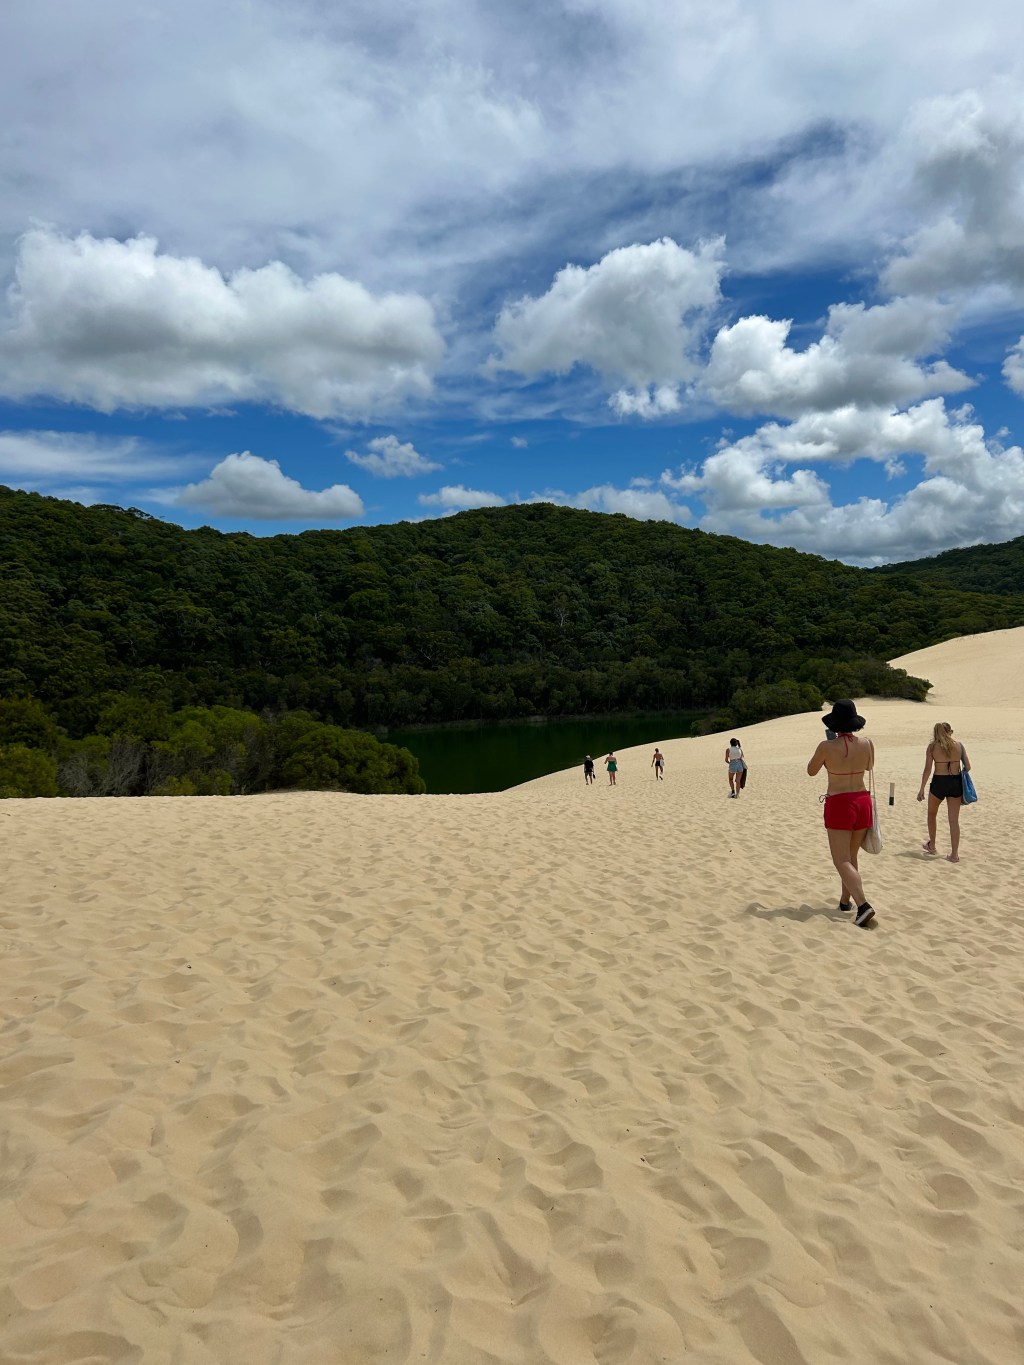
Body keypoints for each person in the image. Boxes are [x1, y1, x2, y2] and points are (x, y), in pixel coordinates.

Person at [807, 699, 876, 928]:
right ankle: (845, 901)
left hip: (839, 802)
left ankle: (863, 905)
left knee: (841, 860)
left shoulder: (826, 747)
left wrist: (830, 755)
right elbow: (869, 766)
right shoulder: (867, 743)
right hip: (862, 799)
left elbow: (811, 771)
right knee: (851, 856)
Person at [919, 722, 970, 862]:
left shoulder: (932, 747)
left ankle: (933, 845)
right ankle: (954, 855)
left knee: (931, 814)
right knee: (954, 820)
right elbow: (968, 766)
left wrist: (922, 788)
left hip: (939, 782)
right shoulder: (959, 745)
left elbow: (927, 770)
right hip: (955, 782)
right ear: (950, 731)